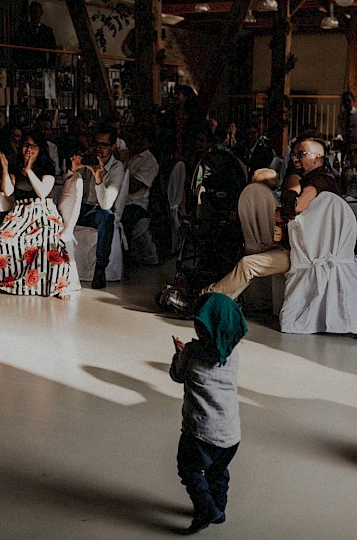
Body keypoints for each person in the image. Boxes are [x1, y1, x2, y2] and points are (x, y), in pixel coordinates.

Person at [202, 138, 340, 299]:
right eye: (294, 154)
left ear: (317, 157)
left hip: (305, 254)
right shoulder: (324, 178)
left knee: (248, 264)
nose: (294, 158)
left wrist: (292, 185)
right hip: (308, 248)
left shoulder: (318, 180)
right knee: (247, 256)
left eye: (300, 154)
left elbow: (295, 208)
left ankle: (204, 300)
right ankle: (215, 300)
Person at [170, 294, 247, 535]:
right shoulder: (232, 354)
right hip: (231, 434)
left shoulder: (191, 352)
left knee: (189, 469)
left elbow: (177, 375)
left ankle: (206, 509)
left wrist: (178, 353)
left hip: (200, 434)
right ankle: (219, 509)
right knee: (218, 471)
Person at [0, 131, 73, 298]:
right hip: (20, 211)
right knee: (2, 238)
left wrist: (29, 170)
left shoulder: (47, 166)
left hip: (43, 211)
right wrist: (5, 170)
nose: (29, 149)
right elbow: (8, 191)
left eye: (34, 146)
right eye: (26, 145)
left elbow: (42, 192)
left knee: (48, 240)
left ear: (40, 148)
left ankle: (56, 285)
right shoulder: (14, 165)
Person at [74, 124, 125, 289]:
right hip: (81, 207)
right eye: (97, 144)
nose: (99, 148)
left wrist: (98, 177)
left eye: (104, 145)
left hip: (98, 209)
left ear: (112, 147)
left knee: (106, 216)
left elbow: (106, 204)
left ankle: (100, 268)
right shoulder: (89, 158)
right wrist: (74, 169)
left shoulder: (116, 168)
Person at [120, 125, 159, 237]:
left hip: (135, 203)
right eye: (136, 137)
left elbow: (133, 188)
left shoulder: (149, 161)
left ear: (149, 142)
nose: (137, 141)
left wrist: (120, 169)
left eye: (142, 139)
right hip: (119, 200)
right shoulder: (128, 154)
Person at [12, 1, 57, 68]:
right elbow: (16, 47)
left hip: (41, 65)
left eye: (36, 12)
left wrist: (50, 66)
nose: (34, 15)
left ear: (41, 13)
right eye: (32, 12)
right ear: (29, 13)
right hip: (25, 65)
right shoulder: (22, 29)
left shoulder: (47, 31)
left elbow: (53, 50)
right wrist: (18, 62)